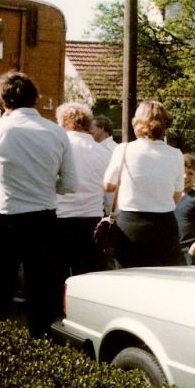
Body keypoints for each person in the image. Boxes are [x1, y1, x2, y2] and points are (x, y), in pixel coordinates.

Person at [0, 71, 78, 337]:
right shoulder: (57, 132)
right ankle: (40, 343)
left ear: (4, 101)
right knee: (43, 292)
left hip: (6, 217)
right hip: (43, 218)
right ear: (35, 99)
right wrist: (43, 184)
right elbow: (69, 184)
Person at [104, 100, 184, 268]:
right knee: (163, 278)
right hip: (164, 225)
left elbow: (108, 185)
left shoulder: (124, 149)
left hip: (131, 224)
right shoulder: (176, 154)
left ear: (137, 123)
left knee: (128, 278)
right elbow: (177, 195)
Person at [55, 103, 112, 279]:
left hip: (60, 218)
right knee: (86, 275)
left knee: (57, 275)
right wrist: (109, 215)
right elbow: (109, 191)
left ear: (64, 122)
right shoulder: (103, 152)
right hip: (91, 219)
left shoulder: (58, 147)